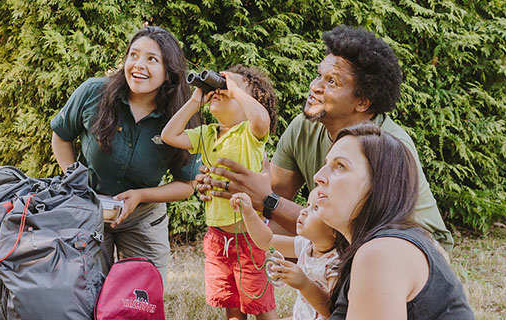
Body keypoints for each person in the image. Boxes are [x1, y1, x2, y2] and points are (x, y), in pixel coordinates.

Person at [196, 24, 454, 252]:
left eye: (332, 82)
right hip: (357, 241)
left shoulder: (387, 145)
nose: (315, 86)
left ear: (363, 102)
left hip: (414, 248)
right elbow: (271, 200)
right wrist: (225, 185)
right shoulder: (304, 128)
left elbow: (356, 232)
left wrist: (266, 200)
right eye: (320, 75)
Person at [50, 26, 201, 285]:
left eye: (152, 59)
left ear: (169, 72)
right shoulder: (93, 93)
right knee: (82, 292)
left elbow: (188, 184)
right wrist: (72, 177)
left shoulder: (181, 118)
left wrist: (142, 195)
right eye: (134, 55)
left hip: (144, 216)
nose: (138, 65)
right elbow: (61, 135)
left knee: (142, 298)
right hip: (89, 208)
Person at [309, 122, 473, 319]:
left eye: (340, 166)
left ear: (378, 185)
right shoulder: (384, 245)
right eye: (326, 164)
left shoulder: (382, 254)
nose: (319, 176)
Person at [161, 65, 279, 320]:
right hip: (217, 238)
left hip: (248, 238)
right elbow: (169, 135)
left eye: (227, 88)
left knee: (260, 306)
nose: (220, 91)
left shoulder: (249, 133)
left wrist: (234, 89)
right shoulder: (206, 134)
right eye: (218, 87)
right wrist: (195, 100)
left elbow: (261, 119)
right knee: (231, 305)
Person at [230, 191, 338, 320]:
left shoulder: (337, 264)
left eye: (315, 208)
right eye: (308, 205)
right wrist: (249, 213)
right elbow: (267, 240)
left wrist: (304, 284)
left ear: (336, 228)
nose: (303, 211)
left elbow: (333, 312)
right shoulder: (306, 245)